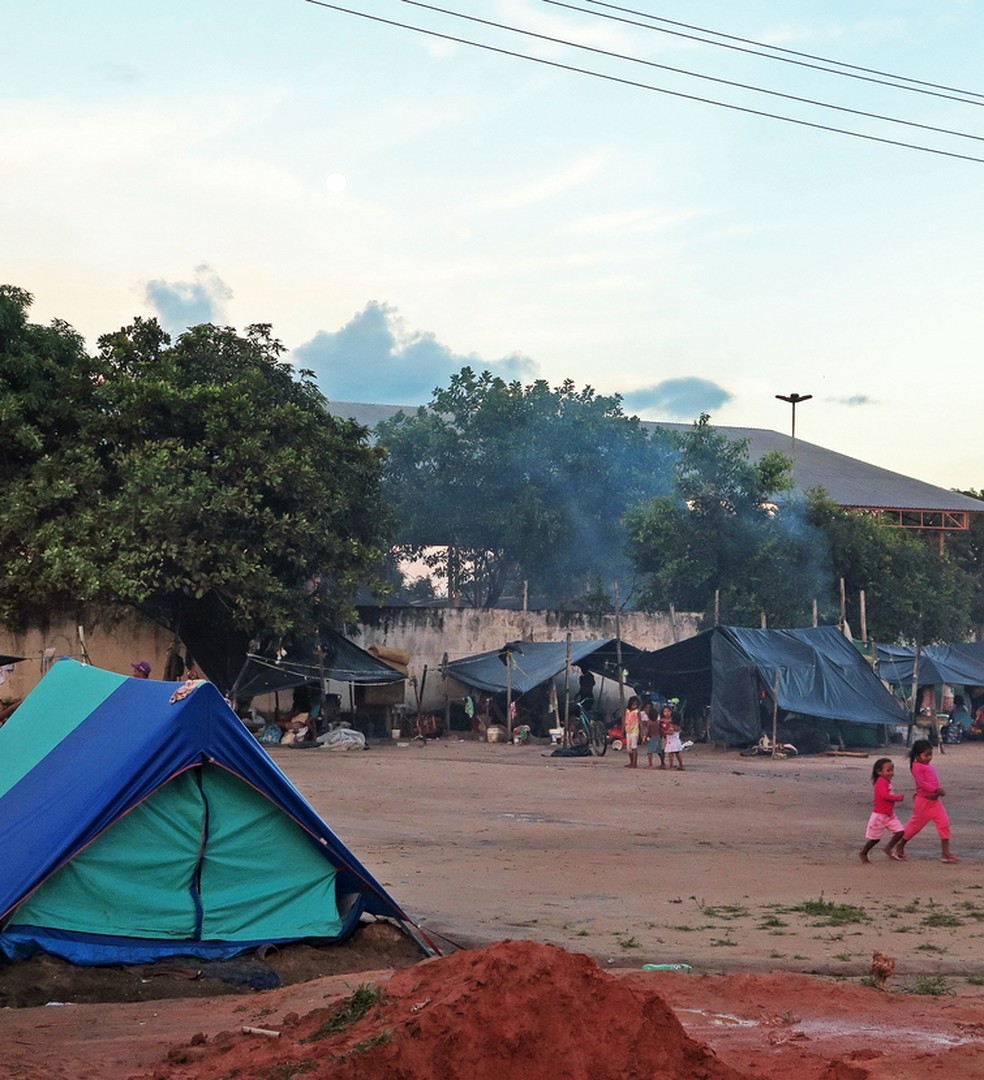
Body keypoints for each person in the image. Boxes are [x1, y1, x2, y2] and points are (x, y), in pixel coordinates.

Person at [894, 740, 959, 863]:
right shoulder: (916, 767)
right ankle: (900, 845)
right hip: (923, 803)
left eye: (930, 754)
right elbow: (921, 783)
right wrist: (936, 789)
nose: (929, 757)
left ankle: (945, 853)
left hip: (934, 802)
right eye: (926, 755)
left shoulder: (927, 766)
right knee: (914, 827)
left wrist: (936, 791)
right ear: (918, 756)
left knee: (944, 824)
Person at [859, 757, 905, 864]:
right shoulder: (880, 782)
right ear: (879, 772)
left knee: (900, 832)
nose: (891, 773)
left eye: (892, 770)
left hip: (889, 815)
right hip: (879, 816)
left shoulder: (886, 782)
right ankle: (863, 853)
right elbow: (885, 796)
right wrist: (898, 798)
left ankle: (888, 848)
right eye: (888, 770)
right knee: (875, 839)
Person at [660, 704, 684, 770]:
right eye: (665, 712)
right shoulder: (663, 721)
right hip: (671, 740)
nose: (667, 713)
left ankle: (673, 765)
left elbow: (672, 732)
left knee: (673, 753)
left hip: (673, 739)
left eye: (668, 711)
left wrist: (665, 732)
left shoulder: (673, 723)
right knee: (675, 753)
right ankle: (679, 765)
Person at [642, 699, 664, 769]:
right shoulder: (657, 722)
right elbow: (660, 730)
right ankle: (663, 763)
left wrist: (645, 738)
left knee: (649, 752)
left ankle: (650, 764)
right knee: (659, 751)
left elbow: (648, 731)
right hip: (658, 738)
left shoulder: (649, 723)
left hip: (652, 738)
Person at [623, 696, 641, 769]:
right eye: (633, 704)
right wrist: (623, 730)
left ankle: (634, 763)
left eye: (635, 704)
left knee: (634, 747)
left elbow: (640, 722)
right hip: (628, 730)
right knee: (628, 748)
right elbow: (625, 721)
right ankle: (631, 762)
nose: (634, 706)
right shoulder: (627, 711)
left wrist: (642, 731)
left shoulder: (637, 712)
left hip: (634, 731)